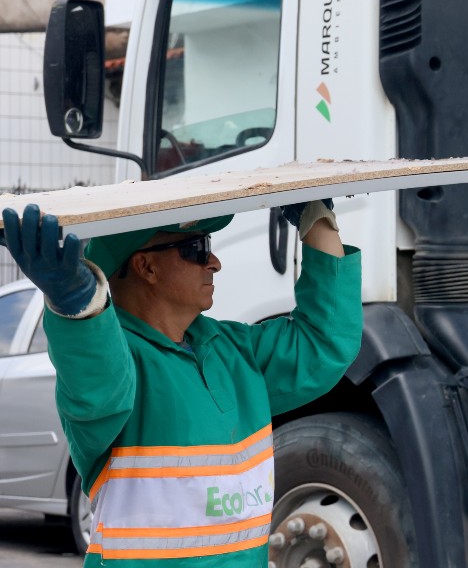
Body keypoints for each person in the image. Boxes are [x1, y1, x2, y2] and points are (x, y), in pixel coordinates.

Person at [0, 200, 362, 567]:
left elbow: (325, 341)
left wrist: (316, 219)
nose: (214, 262)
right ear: (146, 267)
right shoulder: (124, 362)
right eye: (197, 249)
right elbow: (97, 382)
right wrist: (79, 307)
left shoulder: (234, 351)